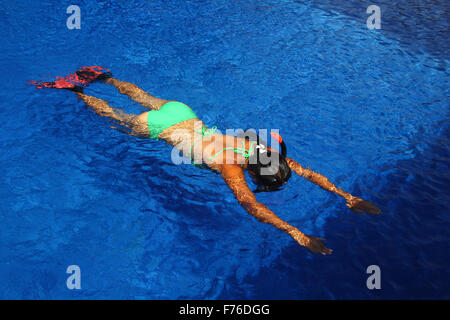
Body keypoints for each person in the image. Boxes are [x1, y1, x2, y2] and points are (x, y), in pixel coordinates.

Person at [30, 66, 381, 255]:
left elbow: (304, 171)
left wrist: (345, 195)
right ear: (259, 175)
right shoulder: (231, 168)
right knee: (115, 118)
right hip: (157, 130)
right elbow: (248, 204)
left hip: (182, 112)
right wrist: (295, 232)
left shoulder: (261, 149)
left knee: (143, 95)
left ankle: (106, 77)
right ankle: (74, 91)